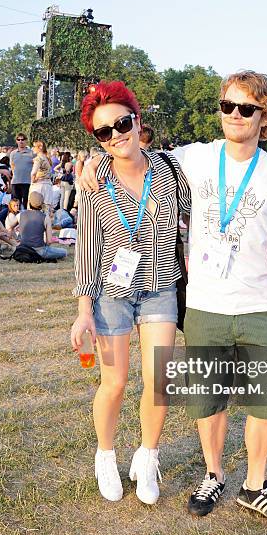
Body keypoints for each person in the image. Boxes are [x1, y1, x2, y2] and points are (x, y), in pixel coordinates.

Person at [81, 70, 267, 524]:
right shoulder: (191, 159)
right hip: (178, 302)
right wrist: (90, 161)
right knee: (196, 397)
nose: (235, 115)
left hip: (233, 300)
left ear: (265, 117)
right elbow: (124, 163)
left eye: (247, 108)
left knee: (249, 398)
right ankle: (201, 472)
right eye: (228, 106)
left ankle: (247, 483)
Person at [71, 81, 191, 506]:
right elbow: (88, 249)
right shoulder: (93, 181)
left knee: (158, 382)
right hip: (112, 295)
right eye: (103, 132)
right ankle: (106, 455)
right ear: (97, 140)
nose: (115, 135)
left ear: (137, 122)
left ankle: (147, 456)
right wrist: (84, 311)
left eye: (121, 123)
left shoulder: (171, 170)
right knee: (115, 382)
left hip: (160, 288)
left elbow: (200, 214)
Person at [18, 191, 67, 260]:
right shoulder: (45, 217)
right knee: (64, 252)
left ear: (29, 202)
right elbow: (49, 241)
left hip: (23, 249)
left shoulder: (21, 214)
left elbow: (10, 226)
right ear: (42, 203)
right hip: (39, 250)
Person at [10, 133, 35, 210]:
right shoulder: (13, 153)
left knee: (26, 202)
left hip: (27, 182)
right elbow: (12, 166)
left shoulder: (32, 153)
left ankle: (25, 219)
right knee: (15, 204)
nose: (20, 141)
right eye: (18, 139)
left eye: (22, 139)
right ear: (16, 141)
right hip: (16, 182)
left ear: (26, 141)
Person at [29, 141, 53, 213]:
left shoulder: (39, 158)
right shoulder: (46, 158)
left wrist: (33, 180)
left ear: (40, 148)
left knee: (34, 206)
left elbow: (33, 172)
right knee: (46, 209)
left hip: (39, 185)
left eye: (34, 146)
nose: (33, 148)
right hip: (47, 185)